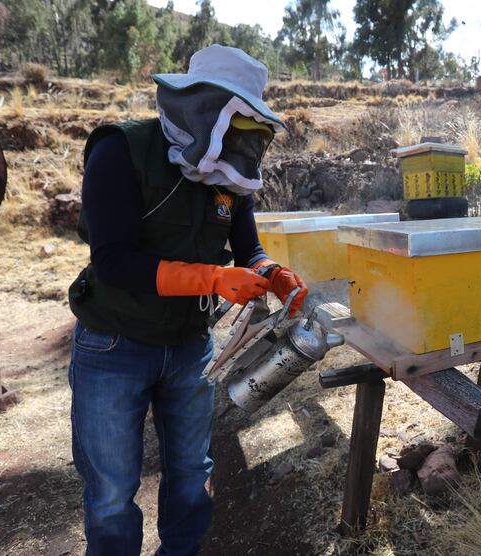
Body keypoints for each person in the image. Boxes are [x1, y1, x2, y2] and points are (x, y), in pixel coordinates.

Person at [67, 45, 308, 556]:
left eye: (251, 134)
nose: (243, 146)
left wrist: (273, 273)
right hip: (114, 344)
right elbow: (113, 261)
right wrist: (215, 280)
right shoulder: (119, 151)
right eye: (237, 127)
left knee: (192, 476)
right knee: (111, 494)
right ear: (203, 109)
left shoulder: (229, 176)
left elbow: (249, 248)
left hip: (189, 348)